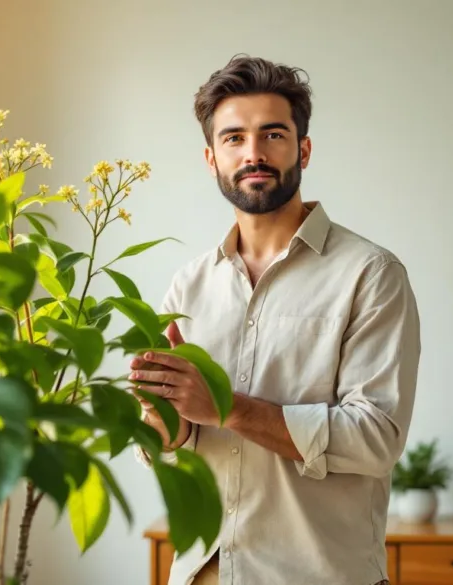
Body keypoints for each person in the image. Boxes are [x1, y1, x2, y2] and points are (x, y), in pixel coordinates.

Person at [130, 54, 421, 585]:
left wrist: (225, 406)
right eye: (234, 138)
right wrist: (160, 419)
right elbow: (175, 449)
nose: (254, 153)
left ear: (302, 149)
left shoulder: (371, 274)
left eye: (273, 135)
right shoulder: (188, 286)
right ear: (211, 158)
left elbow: (377, 438)